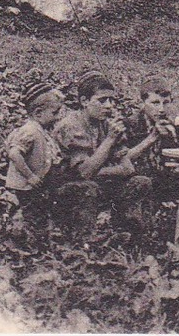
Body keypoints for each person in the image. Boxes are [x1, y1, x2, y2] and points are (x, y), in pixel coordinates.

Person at [53, 72, 155, 233]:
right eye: (102, 100)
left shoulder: (106, 124)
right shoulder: (71, 126)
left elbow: (128, 168)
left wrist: (101, 169)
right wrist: (109, 140)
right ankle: (82, 241)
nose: (109, 106)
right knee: (88, 188)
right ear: (84, 101)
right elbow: (85, 173)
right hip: (66, 189)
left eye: (111, 100)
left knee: (141, 182)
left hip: (98, 182)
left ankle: (128, 235)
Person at [4, 79, 95, 233]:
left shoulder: (42, 130)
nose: (57, 117)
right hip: (25, 186)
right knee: (32, 214)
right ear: (38, 113)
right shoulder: (30, 131)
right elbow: (14, 153)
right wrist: (30, 176)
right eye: (54, 113)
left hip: (36, 184)